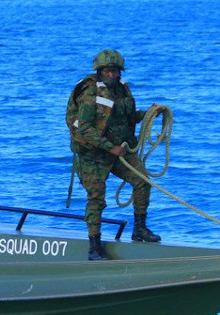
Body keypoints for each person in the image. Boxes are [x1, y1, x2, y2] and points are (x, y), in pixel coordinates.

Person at [66, 49, 161, 260]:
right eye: (108, 71)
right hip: (94, 154)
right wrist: (110, 148)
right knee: (96, 198)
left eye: (115, 71)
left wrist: (149, 114)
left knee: (142, 181)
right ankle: (94, 247)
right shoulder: (90, 94)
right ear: (100, 72)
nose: (112, 75)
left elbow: (126, 118)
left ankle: (139, 229)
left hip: (119, 149)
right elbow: (85, 129)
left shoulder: (121, 90)